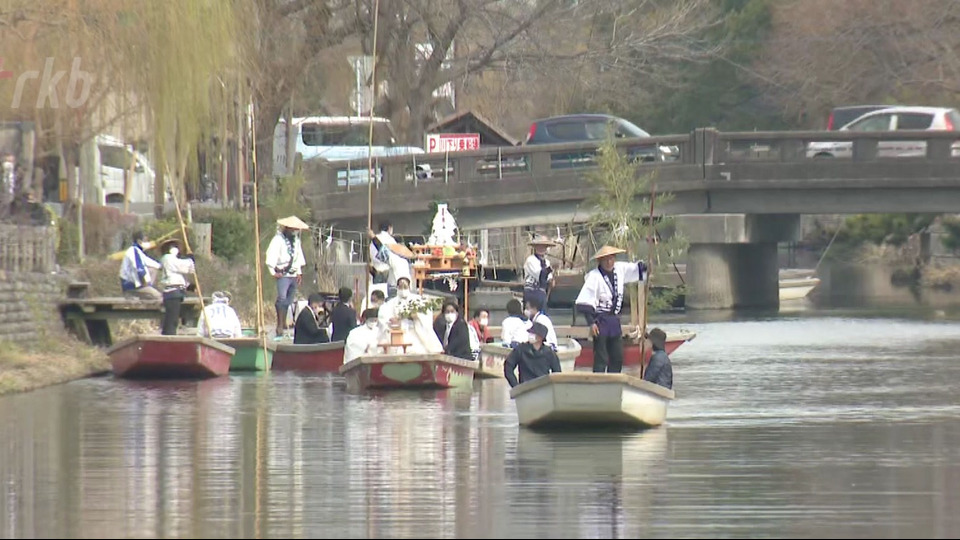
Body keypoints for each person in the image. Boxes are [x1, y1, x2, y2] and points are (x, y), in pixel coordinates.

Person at [575, 245, 647, 374]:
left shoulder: (619, 269)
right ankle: (599, 379)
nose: (609, 262)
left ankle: (615, 378)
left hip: (614, 320)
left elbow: (635, 269)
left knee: (617, 356)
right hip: (600, 320)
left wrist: (644, 266)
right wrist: (591, 323)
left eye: (611, 259)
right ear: (600, 261)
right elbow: (586, 300)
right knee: (601, 356)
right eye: (605, 260)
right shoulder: (594, 276)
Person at [376, 277, 443, 354]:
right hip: (397, 335)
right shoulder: (390, 303)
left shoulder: (418, 300)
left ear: (409, 287)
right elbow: (384, 319)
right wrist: (392, 321)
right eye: (400, 287)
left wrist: (416, 316)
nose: (403, 289)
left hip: (414, 334)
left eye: (405, 287)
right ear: (397, 287)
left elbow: (426, 317)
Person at [266, 215, 308, 338]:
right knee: (282, 298)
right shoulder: (278, 240)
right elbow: (271, 255)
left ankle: (283, 323)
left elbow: (298, 257)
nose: (295, 231)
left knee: (289, 300)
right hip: (283, 273)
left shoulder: (296, 241)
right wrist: (273, 272)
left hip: (293, 273)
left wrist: (299, 272)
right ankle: (279, 325)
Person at [503, 322, 561, 388]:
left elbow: (557, 373)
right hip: (525, 388)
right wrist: (516, 386)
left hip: (543, 388)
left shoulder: (549, 353)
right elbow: (508, 366)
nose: (530, 335)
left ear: (540, 337)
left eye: (533, 333)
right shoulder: (521, 349)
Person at [158, 239, 196, 335]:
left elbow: (177, 277)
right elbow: (182, 266)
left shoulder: (171, 260)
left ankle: (171, 334)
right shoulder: (167, 258)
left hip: (177, 292)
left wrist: (189, 286)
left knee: (175, 319)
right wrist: (190, 260)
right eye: (173, 246)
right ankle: (168, 337)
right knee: (171, 320)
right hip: (172, 293)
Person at [367, 226, 413, 298]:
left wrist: (373, 237)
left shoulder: (397, 260)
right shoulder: (405, 261)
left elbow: (382, 251)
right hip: (405, 289)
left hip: (395, 289)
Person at [119, 230, 162, 301]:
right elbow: (139, 269)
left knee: (153, 269)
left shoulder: (138, 251)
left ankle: (147, 291)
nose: (147, 242)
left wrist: (161, 266)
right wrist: (145, 284)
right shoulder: (134, 251)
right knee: (159, 297)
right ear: (139, 241)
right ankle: (141, 292)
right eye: (145, 240)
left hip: (137, 284)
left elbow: (148, 261)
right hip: (132, 286)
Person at [523, 235, 557, 314]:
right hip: (531, 291)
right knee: (531, 314)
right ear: (535, 247)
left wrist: (551, 281)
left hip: (542, 292)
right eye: (539, 246)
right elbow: (539, 274)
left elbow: (548, 277)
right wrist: (550, 269)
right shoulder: (531, 260)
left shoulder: (547, 262)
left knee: (542, 315)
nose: (541, 249)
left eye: (544, 247)